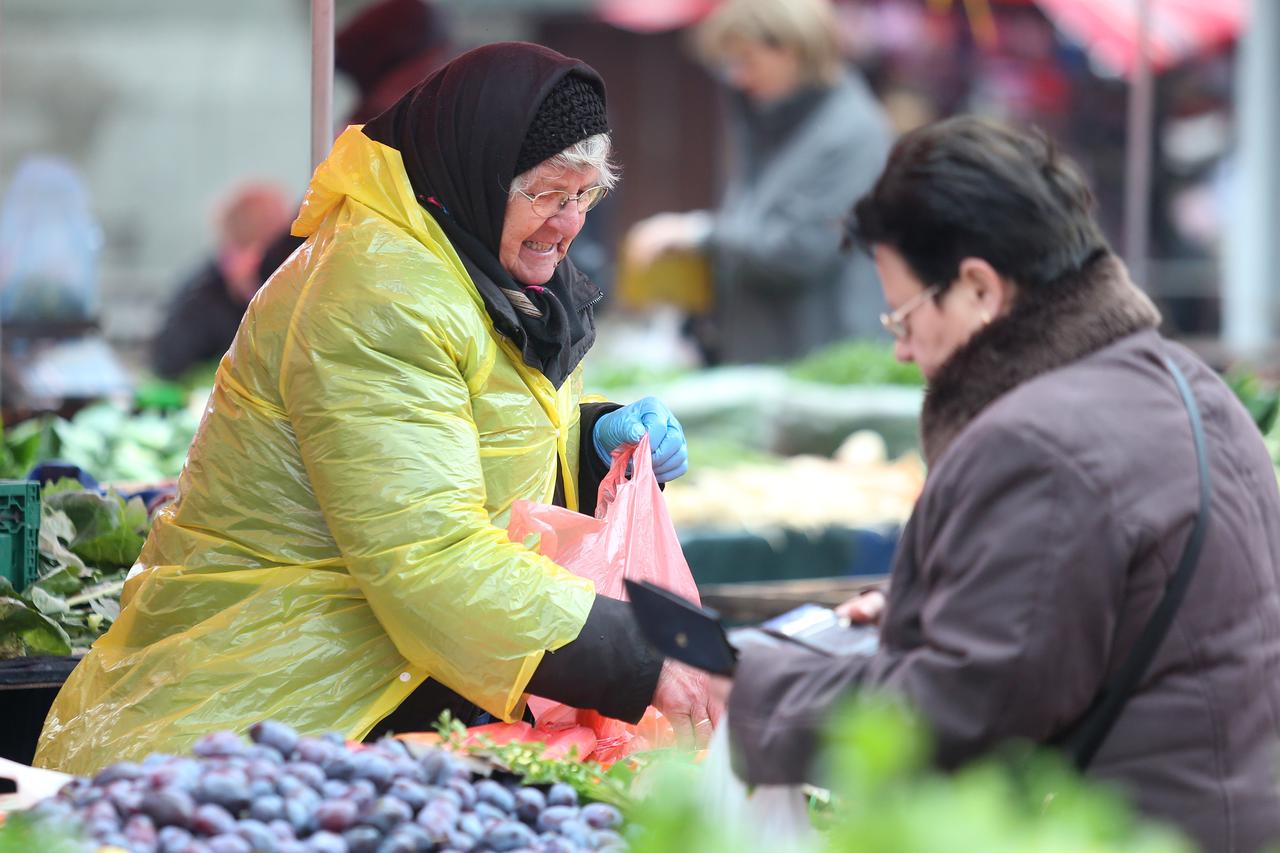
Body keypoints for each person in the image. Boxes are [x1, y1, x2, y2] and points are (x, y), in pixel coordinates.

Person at [37, 42, 714, 775]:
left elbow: (456, 440)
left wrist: (591, 444)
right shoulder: (381, 290)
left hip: (388, 680)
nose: (568, 224)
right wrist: (642, 656)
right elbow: (427, 553)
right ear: (482, 175)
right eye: (551, 195)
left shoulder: (473, 260)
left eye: (585, 197)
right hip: (265, 705)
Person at [722, 117, 1280, 851]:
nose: (899, 347)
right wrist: (940, 601)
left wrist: (759, 692)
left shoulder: (1036, 443)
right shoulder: (1190, 384)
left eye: (904, 313)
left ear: (980, 288)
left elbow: (963, 713)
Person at [626, 0, 892, 364]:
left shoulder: (851, 134)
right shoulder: (769, 121)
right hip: (769, 355)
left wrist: (700, 235)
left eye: (747, 60)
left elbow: (799, 248)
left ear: (792, 50)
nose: (738, 77)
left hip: (823, 364)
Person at [149, 182, 292, 379]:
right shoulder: (206, 289)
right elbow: (168, 362)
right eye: (278, 223)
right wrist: (244, 293)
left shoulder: (275, 276)